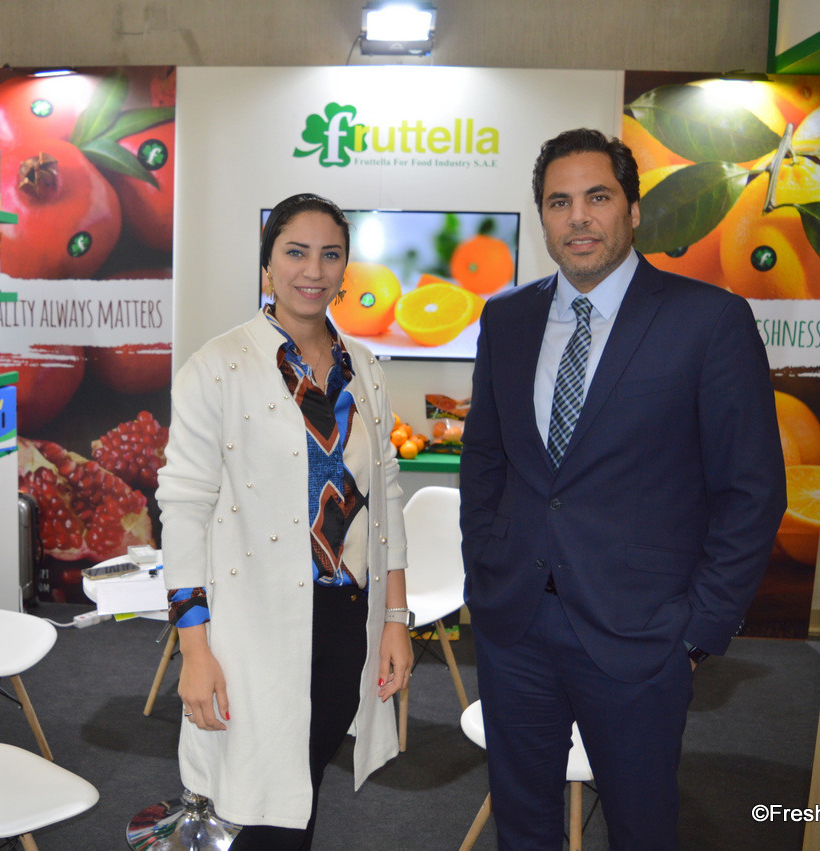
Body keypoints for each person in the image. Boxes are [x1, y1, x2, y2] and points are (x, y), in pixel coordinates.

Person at [459, 128, 787, 849]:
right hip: (515, 624)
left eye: (598, 197)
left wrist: (698, 629)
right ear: (542, 217)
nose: (578, 217)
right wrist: (483, 568)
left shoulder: (709, 320)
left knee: (642, 828)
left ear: (633, 211)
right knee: (522, 826)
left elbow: (752, 490)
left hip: (644, 634)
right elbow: (484, 460)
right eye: (559, 202)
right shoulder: (506, 318)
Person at [156, 192, 414, 849]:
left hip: (345, 622)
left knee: (301, 785)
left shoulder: (364, 368)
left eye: (330, 254)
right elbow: (183, 509)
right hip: (253, 625)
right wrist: (194, 649)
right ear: (267, 264)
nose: (313, 270)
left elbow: (385, 497)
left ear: (346, 268)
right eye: (296, 252)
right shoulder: (217, 366)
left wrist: (395, 618)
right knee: (257, 800)